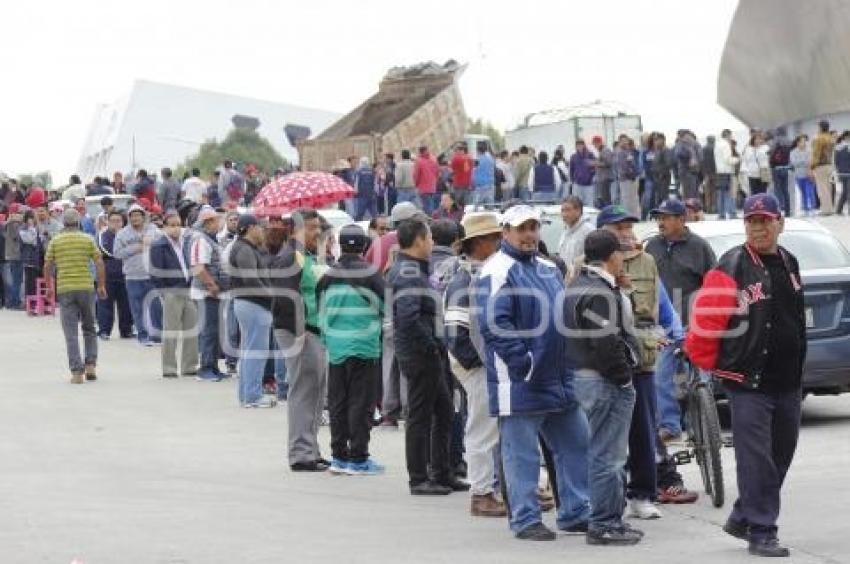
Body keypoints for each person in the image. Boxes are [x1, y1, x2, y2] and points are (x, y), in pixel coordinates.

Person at [687, 194, 806, 558]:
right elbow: (706, 323)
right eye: (752, 221)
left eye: (765, 220)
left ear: (779, 223)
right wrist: (710, 365)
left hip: (787, 381)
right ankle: (762, 532)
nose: (758, 227)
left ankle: (743, 516)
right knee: (756, 460)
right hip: (747, 382)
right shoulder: (731, 265)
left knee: (780, 456)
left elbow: (794, 318)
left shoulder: (789, 262)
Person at [476, 204, 590, 540]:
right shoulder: (496, 270)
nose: (529, 234)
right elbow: (494, 324)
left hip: (558, 376)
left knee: (576, 444)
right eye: (522, 228)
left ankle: (575, 511)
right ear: (506, 232)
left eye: (534, 227)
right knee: (521, 454)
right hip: (521, 381)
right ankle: (525, 519)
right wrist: (522, 362)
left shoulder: (547, 267)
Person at [596, 204, 697, 513]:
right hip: (604, 358)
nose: (626, 234)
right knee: (608, 432)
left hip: (643, 355)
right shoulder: (585, 265)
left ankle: (643, 494)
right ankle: (613, 495)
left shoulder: (646, 261)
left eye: (628, 227)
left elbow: (661, 301)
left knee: (643, 428)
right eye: (618, 229)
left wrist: (677, 334)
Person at [564, 229, 643, 545]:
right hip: (603, 381)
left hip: (586, 377)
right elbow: (606, 343)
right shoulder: (597, 291)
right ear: (613, 257)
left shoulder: (577, 286)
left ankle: (610, 520)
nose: (624, 260)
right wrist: (623, 378)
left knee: (604, 454)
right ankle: (604, 524)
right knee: (608, 457)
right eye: (622, 254)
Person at [388, 218, 460, 495]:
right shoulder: (407, 272)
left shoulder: (415, 268)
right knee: (420, 415)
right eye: (429, 238)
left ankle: (441, 472)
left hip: (430, 349)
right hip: (420, 353)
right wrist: (430, 346)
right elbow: (408, 317)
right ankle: (418, 478)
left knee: (443, 410)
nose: (432, 243)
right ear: (419, 240)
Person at [444, 211, 506, 517]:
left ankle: (493, 488)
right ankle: (481, 493)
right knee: (482, 430)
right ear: (479, 243)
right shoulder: (464, 280)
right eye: (495, 238)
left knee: (491, 429)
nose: (499, 243)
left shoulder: (480, 274)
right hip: (476, 366)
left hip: (485, 363)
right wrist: (478, 364)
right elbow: (455, 334)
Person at [644, 199, 716, 445]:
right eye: (658, 218)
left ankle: (703, 426)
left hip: (694, 323)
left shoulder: (700, 247)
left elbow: (714, 284)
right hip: (663, 326)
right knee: (660, 376)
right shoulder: (651, 246)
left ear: (682, 219)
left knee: (701, 378)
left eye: (666, 217)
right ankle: (670, 425)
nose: (660, 222)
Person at [316, 224, 386, 475]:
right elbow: (385, 307)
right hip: (365, 346)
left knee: (338, 402)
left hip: (335, 346)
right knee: (361, 402)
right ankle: (358, 457)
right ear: (365, 246)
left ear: (340, 245)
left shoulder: (326, 277)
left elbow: (320, 311)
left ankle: (338, 456)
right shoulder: (372, 274)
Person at [270, 209, 329, 468]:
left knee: (315, 390)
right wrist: (299, 332)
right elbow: (285, 296)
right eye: (312, 227)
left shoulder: (304, 256)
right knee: (304, 390)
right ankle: (301, 453)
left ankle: (310, 448)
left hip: (311, 329)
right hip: (299, 331)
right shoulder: (290, 256)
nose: (318, 232)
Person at [44, 209, 107, 383]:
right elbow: (99, 261)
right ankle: (91, 365)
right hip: (86, 287)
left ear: (63, 223)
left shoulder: (56, 241)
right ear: (78, 222)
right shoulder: (87, 239)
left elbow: (47, 265)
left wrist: (49, 287)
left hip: (65, 289)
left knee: (70, 333)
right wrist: (101, 285)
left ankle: (77, 373)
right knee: (89, 328)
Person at [229, 214, 276, 409]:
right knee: (256, 351)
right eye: (260, 227)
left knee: (250, 350)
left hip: (249, 303)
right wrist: (272, 296)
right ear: (250, 228)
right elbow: (251, 280)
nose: (263, 231)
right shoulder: (244, 249)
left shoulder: (246, 248)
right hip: (253, 303)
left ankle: (247, 394)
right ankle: (253, 395)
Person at [149, 212, 198, 379]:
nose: (176, 228)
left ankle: (189, 366)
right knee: (171, 330)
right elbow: (155, 272)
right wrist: (164, 292)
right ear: (164, 227)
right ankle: (169, 367)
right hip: (171, 291)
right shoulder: (159, 245)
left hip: (187, 289)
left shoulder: (185, 242)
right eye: (172, 225)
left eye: (178, 224)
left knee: (191, 328)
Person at [114, 204, 161, 346]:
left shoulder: (153, 230)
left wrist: (151, 244)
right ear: (128, 218)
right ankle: (143, 335)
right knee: (137, 308)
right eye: (132, 216)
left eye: (138, 215)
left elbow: (163, 244)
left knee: (156, 306)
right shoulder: (122, 234)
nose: (135, 218)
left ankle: (158, 335)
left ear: (143, 216)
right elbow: (117, 253)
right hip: (132, 276)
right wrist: (137, 248)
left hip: (152, 275)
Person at [190, 207, 228, 381]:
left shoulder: (212, 239)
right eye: (216, 220)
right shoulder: (201, 240)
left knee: (214, 331)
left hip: (214, 293)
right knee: (208, 332)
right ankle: (205, 368)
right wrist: (211, 286)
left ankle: (213, 366)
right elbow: (198, 267)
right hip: (206, 293)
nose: (219, 223)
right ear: (208, 222)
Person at [96, 211, 134, 339]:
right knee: (105, 303)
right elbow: (108, 251)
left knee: (126, 304)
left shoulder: (129, 234)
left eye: (119, 221)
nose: (116, 224)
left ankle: (126, 330)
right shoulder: (102, 235)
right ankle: (104, 330)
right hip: (107, 274)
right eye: (113, 221)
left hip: (125, 274)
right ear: (108, 221)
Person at [557, 195, 594, 273]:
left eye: (568, 210)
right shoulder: (566, 230)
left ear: (578, 211)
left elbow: (591, 258)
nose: (564, 214)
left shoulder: (589, 230)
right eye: (562, 210)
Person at [811, 120, 836, 215]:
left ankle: (825, 210)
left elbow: (816, 154)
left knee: (822, 188)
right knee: (828, 187)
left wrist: (812, 166)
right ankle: (829, 208)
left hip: (820, 165)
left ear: (821, 127)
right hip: (829, 165)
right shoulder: (831, 138)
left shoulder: (819, 139)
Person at [714, 129, 740, 220]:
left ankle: (721, 214)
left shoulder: (717, 145)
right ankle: (732, 213)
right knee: (729, 194)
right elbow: (728, 159)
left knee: (720, 194)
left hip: (719, 172)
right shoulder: (726, 145)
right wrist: (737, 159)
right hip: (727, 171)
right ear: (728, 135)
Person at [789, 135, 816, 216]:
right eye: (802, 141)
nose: (804, 143)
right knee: (803, 192)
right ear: (798, 143)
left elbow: (811, 161)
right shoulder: (793, 152)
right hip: (798, 175)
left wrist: (802, 162)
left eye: (805, 141)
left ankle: (812, 208)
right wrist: (804, 161)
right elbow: (794, 163)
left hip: (808, 174)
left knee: (810, 191)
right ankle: (805, 208)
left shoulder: (809, 151)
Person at [2, 205, 23, 309]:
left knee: (14, 279)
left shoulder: (6, 223)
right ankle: (14, 302)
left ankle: (13, 301)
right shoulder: (14, 224)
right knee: (16, 280)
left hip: (9, 254)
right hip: (16, 254)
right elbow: (17, 237)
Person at [769, 128, 793, 217]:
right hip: (785, 168)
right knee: (785, 190)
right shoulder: (789, 141)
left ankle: (778, 209)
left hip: (776, 168)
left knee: (777, 190)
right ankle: (788, 211)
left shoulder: (775, 141)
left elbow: (771, 153)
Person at [614, 136, 640, 216]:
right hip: (625, 179)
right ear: (619, 142)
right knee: (626, 199)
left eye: (626, 141)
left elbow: (632, 164)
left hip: (632, 179)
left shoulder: (628, 152)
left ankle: (634, 216)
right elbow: (624, 167)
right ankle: (627, 216)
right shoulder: (620, 153)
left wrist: (636, 173)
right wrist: (632, 174)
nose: (625, 142)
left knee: (634, 199)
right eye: (623, 141)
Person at [569, 139, 597, 208]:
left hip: (589, 184)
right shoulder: (573, 156)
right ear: (576, 147)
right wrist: (572, 180)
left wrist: (592, 175)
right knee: (577, 203)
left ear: (584, 145)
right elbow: (571, 169)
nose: (579, 147)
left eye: (581, 145)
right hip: (577, 184)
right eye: (578, 145)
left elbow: (595, 166)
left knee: (589, 203)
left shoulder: (590, 155)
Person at [742, 131, 770, 196]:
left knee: (763, 192)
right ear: (753, 140)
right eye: (756, 139)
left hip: (764, 172)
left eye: (760, 139)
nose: (758, 141)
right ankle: (755, 205)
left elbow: (767, 158)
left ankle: (762, 205)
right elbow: (746, 159)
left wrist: (759, 151)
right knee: (754, 193)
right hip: (752, 173)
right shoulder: (748, 149)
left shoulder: (766, 148)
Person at [414, 146, 440, 215]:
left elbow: (416, 175)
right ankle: (434, 218)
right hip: (432, 187)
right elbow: (437, 172)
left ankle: (429, 221)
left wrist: (416, 184)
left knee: (426, 206)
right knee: (432, 205)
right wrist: (435, 181)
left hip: (423, 188)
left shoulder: (419, 161)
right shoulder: (434, 159)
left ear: (420, 152)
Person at [591, 136, 615, 207]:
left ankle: (608, 212)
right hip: (602, 178)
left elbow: (609, 163)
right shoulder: (602, 151)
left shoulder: (605, 150)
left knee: (606, 198)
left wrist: (596, 163)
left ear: (599, 143)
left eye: (595, 144)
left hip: (605, 179)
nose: (594, 146)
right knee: (604, 198)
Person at [471, 142, 496, 208]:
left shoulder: (477, 160)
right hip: (490, 187)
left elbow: (473, 174)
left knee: (475, 210)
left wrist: (472, 185)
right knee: (490, 209)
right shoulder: (491, 159)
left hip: (480, 188)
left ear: (477, 150)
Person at [450, 143, 473, 208]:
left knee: (458, 205)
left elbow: (452, 170)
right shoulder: (470, 158)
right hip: (467, 184)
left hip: (458, 185)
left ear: (458, 150)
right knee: (467, 206)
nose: (455, 152)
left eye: (455, 151)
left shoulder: (455, 158)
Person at [832, 131, 850, 215]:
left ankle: (839, 210)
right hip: (843, 172)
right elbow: (836, 162)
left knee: (846, 191)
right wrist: (837, 171)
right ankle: (840, 210)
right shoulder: (838, 148)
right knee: (847, 191)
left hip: (845, 172)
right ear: (845, 137)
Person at [701, 135, 717, 214]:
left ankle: (708, 208)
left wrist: (703, 172)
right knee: (714, 191)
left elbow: (702, 161)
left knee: (707, 191)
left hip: (706, 173)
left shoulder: (703, 149)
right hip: (715, 172)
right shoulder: (715, 148)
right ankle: (714, 207)